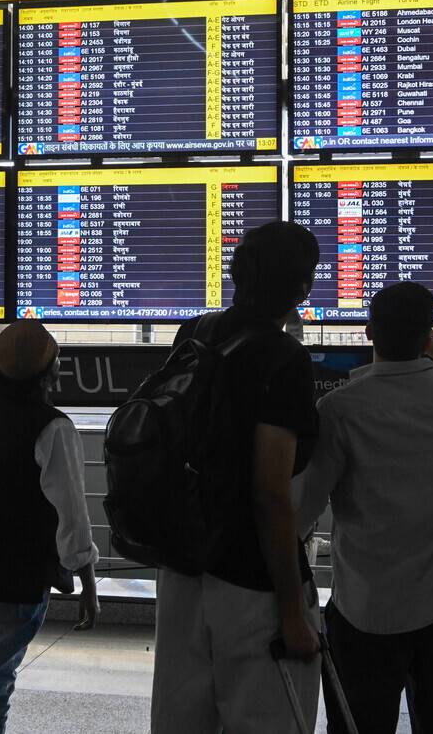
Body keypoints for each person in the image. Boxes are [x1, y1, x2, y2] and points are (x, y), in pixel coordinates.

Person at [294, 281, 433, 734]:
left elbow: (303, 508)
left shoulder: (340, 410)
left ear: (369, 331)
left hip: (365, 612)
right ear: (428, 335)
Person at [150, 220, 323, 734]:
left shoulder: (194, 333)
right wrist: (291, 611)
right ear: (302, 287)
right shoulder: (284, 359)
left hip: (183, 566)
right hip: (250, 582)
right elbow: (270, 494)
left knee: (181, 720)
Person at [0, 319, 100, 734]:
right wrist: (87, 582)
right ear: (51, 374)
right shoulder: (53, 427)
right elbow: (72, 512)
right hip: (19, 571)